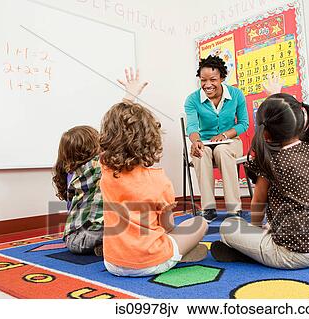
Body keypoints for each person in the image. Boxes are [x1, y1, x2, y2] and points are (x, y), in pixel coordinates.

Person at [100, 68, 208, 277]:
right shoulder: (160, 181)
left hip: (112, 263)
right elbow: (167, 227)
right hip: (151, 262)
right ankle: (177, 255)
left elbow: (114, 129)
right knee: (199, 223)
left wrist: (129, 96)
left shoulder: (107, 170)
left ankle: (177, 253)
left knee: (174, 235)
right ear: (151, 140)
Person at [210, 91, 309, 269]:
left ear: (265, 133)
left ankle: (250, 252)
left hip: (290, 255)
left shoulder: (272, 161)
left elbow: (258, 201)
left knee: (228, 226)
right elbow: (286, 113)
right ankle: (254, 248)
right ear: (300, 121)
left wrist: (254, 230)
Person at [184, 55, 249, 222]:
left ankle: (234, 209)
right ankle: (208, 209)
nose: (207, 84)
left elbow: (243, 124)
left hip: (231, 142)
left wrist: (225, 135)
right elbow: (191, 126)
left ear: (222, 78)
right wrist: (196, 141)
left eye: (212, 79)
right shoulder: (192, 99)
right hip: (205, 142)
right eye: (203, 80)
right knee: (200, 153)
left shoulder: (236, 95)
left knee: (222, 150)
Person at [52, 126, 103, 255]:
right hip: (84, 236)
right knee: (124, 229)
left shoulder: (71, 174)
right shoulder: (98, 166)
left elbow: (70, 209)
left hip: (74, 239)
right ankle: (106, 244)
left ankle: (102, 245)